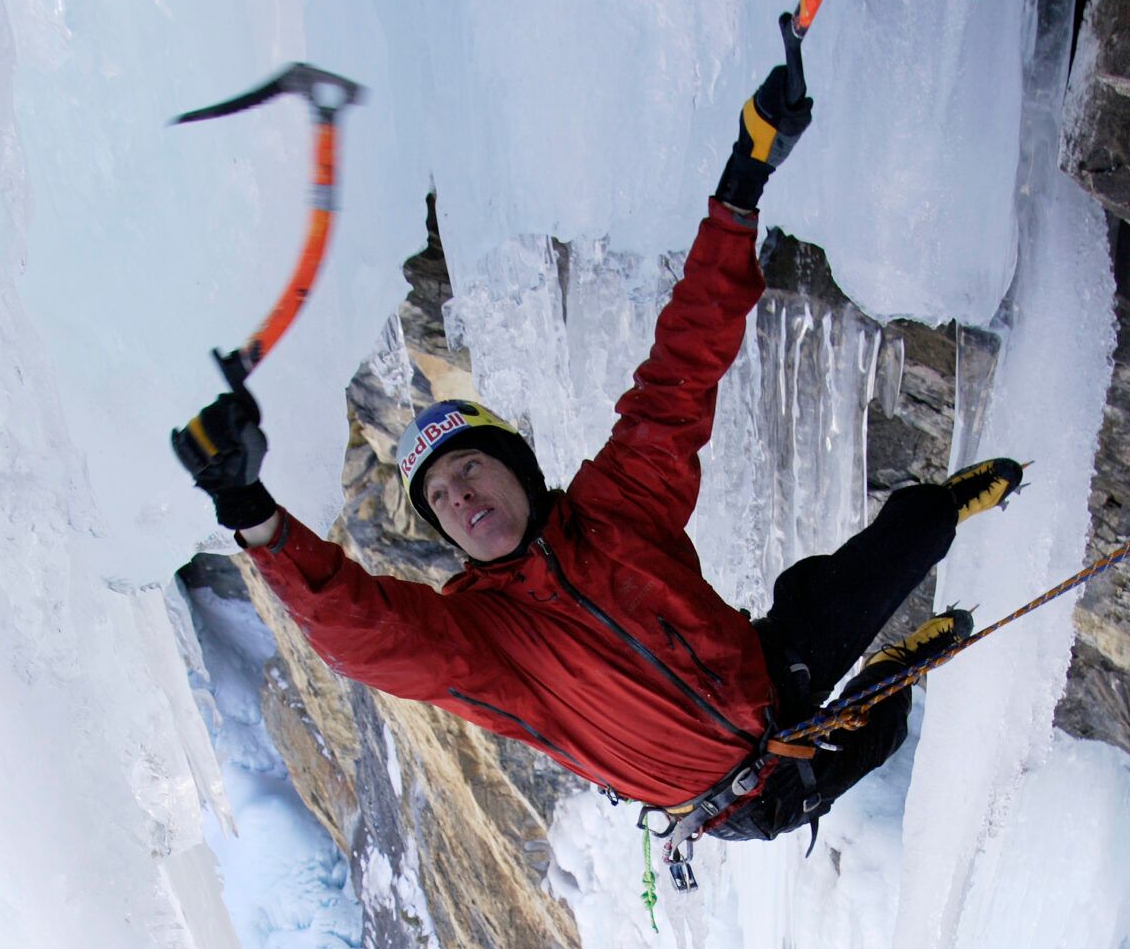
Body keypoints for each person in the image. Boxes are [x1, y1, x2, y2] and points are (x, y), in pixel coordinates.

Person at [172, 45, 1023, 855]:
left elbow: (683, 365)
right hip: (744, 794)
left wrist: (741, 183)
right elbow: (365, 636)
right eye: (440, 500)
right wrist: (251, 513)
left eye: (470, 467)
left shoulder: (618, 505)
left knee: (895, 547)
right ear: (447, 538)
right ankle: (904, 671)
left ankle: (944, 505)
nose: (461, 497)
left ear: (518, 471)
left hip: (768, 679)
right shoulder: (485, 643)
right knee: (869, 732)